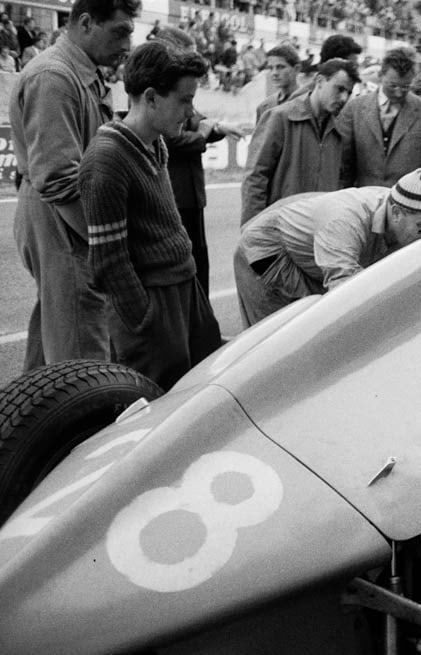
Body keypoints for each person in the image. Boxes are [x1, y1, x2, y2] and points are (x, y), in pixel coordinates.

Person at [79, 40, 221, 390]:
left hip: (186, 292)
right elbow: (108, 262)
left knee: (200, 391)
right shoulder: (106, 158)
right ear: (152, 97)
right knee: (158, 407)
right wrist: (143, 320)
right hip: (156, 305)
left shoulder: (156, 143)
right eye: (185, 100)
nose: (190, 112)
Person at [10, 0, 139, 371]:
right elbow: (58, 178)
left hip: (59, 215)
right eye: (119, 32)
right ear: (86, 23)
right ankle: (83, 429)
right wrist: (105, 245)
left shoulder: (82, 71)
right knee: (82, 354)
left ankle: (32, 419)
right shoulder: (54, 77)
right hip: (62, 219)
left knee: (57, 330)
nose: (127, 46)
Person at [234, 167, 421, 326]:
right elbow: (346, 294)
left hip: (316, 255)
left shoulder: (401, 210)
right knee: (279, 342)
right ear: (395, 213)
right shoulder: (345, 221)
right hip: (268, 251)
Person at [155, 26, 244, 295]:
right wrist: (205, 133)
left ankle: (201, 333)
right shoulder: (157, 86)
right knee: (182, 269)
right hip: (174, 193)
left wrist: (216, 127)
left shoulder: (179, 85)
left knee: (198, 267)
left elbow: (197, 119)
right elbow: (171, 141)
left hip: (191, 193)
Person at [242, 58, 359, 225]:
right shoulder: (279, 118)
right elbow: (255, 179)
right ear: (319, 81)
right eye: (339, 89)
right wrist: (252, 230)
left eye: (348, 92)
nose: (344, 97)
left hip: (318, 231)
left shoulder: (340, 132)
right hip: (278, 229)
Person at [336, 46, 421, 188]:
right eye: (392, 86)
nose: (399, 93)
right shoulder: (354, 109)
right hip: (362, 199)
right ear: (381, 76)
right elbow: (343, 165)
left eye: (405, 87)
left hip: (408, 202)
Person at [253, 43, 300, 126]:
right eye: (270, 68)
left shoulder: (310, 104)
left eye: (280, 67)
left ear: (296, 69)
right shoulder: (264, 107)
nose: (274, 73)